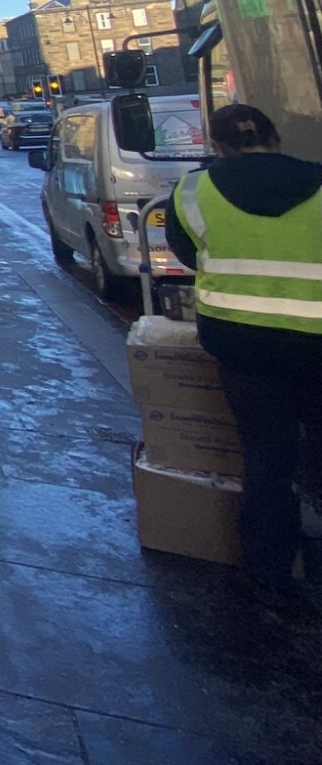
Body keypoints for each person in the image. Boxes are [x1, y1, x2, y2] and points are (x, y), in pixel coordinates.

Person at [165, 103, 322, 606]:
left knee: (267, 456)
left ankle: (271, 574)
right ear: (274, 136)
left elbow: (187, 253)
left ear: (216, 144)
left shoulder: (193, 190)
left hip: (242, 342)